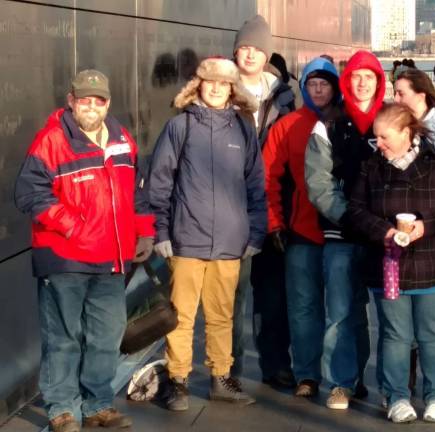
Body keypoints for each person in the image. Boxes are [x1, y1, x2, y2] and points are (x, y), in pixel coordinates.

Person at [14, 69, 155, 432]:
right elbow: (29, 192)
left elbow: (137, 192)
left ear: (107, 103)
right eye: (84, 99)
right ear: (71, 101)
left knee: (105, 339)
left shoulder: (122, 137)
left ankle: (98, 405)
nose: (91, 106)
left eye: (99, 100)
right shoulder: (50, 140)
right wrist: (73, 226)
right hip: (64, 259)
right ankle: (62, 409)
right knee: (62, 338)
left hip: (111, 260)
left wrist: (144, 233)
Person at [147, 56, 266, 411]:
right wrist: (161, 231)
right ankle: (178, 381)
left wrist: (255, 233)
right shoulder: (180, 126)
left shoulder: (243, 127)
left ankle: (221, 379)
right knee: (180, 315)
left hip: (230, 241)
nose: (215, 88)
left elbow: (256, 184)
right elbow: (159, 183)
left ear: (233, 88)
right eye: (209, 82)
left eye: (223, 83)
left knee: (222, 316)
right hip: (186, 238)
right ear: (197, 84)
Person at [348, 103, 435, 423]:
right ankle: (396, 395)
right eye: (376, 138)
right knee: (395, 334)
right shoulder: (370, 167)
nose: (380, 144)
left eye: (385, 137)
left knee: (431, 333)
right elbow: (356, 211)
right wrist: (384, 231)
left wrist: (425, 226)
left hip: (432, 264)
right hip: (388, 263)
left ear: (407, 132)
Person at [305, 49, 386, 410]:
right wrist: (351, 218)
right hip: (342, 235)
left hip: (384, 239)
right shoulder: (328, 125)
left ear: (379, 81)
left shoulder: (392, 119)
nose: (363, 81)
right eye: (356, 75)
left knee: (390, 318)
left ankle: (390, 387)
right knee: (341, 312)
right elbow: (318, 182)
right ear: (347, 81)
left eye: (370, 75)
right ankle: (342, 382)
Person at [262, 57, 342, 398]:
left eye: (325, 83)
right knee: (303, 307)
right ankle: (307, 374)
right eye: (312, 83)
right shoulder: (288, 125)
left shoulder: (348, 123)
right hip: (302, 233)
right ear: (304, 86)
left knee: (344, 311)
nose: (319, 89)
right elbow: (267, 177)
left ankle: (345, 376)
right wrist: (274, 223)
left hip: (343, 233)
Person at [232, 14, 296, 387]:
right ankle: (229, 370)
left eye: (258, 48)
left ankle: (275, 363)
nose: (250, 54)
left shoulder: (285, 97)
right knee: (230, 300)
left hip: (272, 210)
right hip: (229, 211)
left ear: (267, 53)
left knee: (272, 295)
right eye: (244, 47)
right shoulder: (220, 90)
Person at [394, 68, 435, 163]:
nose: (395, 99)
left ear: (420, 96)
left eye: (401, 94)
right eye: (395, 93)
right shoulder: (395, 124)